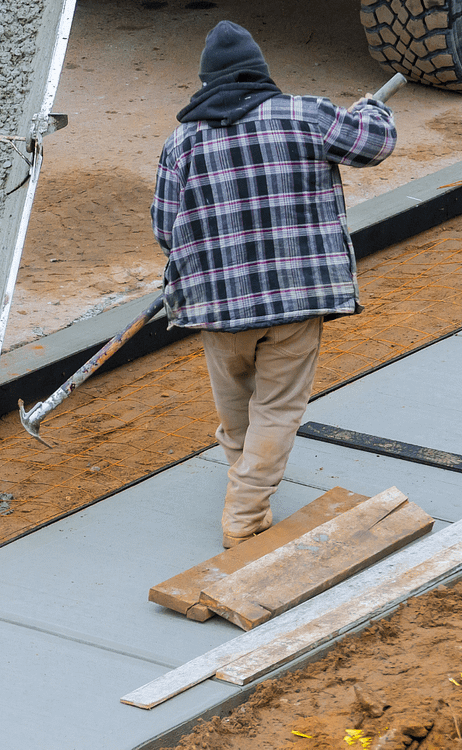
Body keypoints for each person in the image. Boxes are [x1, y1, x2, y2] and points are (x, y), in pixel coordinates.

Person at [151, 21, 397, 548]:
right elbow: (375, 145)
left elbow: (162, 229)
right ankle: (243, 514)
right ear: (260, 73)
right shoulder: (306, 114)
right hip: (295, 300)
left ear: (206, 82)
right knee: (278, 410)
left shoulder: (181, 143)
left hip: (216, 309)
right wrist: (371, 109)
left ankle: (247, 489)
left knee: (237, 413)